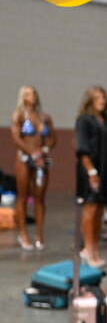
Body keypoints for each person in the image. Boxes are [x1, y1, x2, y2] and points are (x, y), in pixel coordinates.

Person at [75, 85, 107, 268]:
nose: (102, 100)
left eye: (103, 97)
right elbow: (82, 148)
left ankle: (95, 248)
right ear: (90, 100)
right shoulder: (84, 120)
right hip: (90, 169)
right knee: (91, 207)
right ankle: (88, 248)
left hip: (106, 169)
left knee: (100, 209)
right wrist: (91, 172)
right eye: (97, 98)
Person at [10, 85, 56, 251]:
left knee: (40, 197)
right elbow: (16, 138)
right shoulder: (19, 115)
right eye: (29, 94)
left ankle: (39, 234)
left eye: (34, 93)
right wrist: (31, 153)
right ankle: (23, 234)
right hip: (24, 159)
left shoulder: (44, 117)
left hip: (41, 161)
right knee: (23, 196)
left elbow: (52, 138)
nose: (33, 96)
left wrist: (44, 151)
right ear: (23, 97)